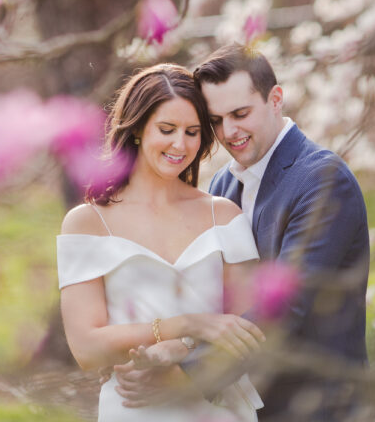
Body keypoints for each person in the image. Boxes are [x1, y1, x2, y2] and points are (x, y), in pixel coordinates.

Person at [57, 63, 266, 421]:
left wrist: (179, 349)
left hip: (216, 408)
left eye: (192, 132)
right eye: (166, 129)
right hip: (135, 408)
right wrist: (187, 324)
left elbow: (250, 330)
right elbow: (87, 349)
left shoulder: (224, 217)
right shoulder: (88, 222)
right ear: (137, 128)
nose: (179, 144)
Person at [194, 43, 370, 421]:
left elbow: (288, 308)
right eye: (216, 120)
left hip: (317, 405)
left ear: (275, 99)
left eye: (240, 113)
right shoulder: (223, 185)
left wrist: (185, 372)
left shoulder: (322, 180)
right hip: (247, 404)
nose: (229, 131)